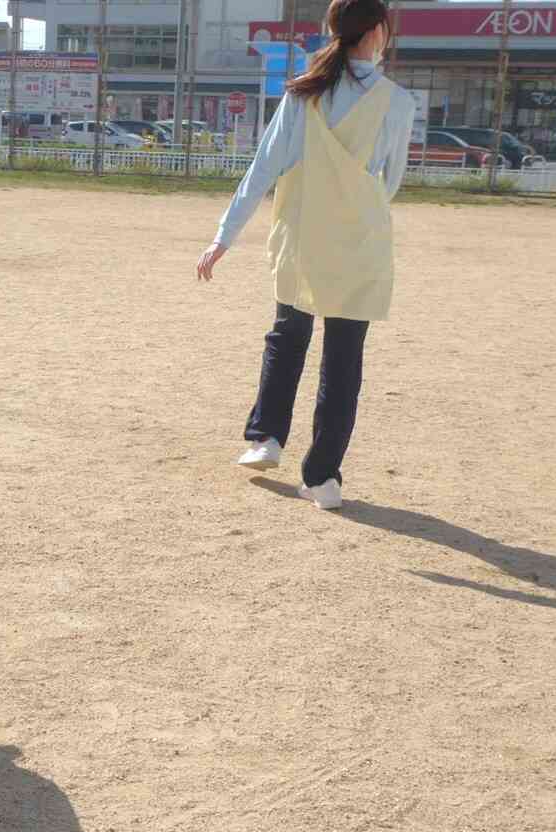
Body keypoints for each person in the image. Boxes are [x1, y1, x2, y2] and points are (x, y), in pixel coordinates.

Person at [196, 0, 415, 510]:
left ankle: (266, 438)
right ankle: (323, 479)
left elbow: (263, 169)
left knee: (287, 336)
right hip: (360, 246)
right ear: (379, 31)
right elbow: (392, 184)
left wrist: (223, 236)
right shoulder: (398, 103)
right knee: (344, 363)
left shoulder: (303, 95)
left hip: (303, 237)